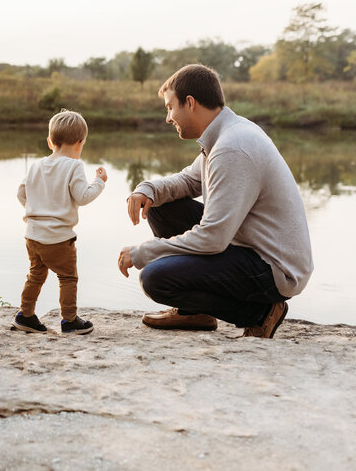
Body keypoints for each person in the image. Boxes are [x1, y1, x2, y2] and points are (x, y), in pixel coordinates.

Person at [117, 64, 313, 338]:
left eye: (169, 107)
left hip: (273, 267)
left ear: (190, 103)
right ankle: (194, 312)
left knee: (155, 278)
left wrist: (144, 252)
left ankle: (260, 314)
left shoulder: (233, 147)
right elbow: (188, 182)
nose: (167, 118)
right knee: (160, 206)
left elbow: (212, 239)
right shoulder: (224, 135)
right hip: (246, 247)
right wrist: (147, 189)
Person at [13, 110, 107, 335]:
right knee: (67, 278)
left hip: (32, 234)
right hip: (58, 238)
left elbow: (21, 193)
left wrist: (38, 209)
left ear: (49, 142)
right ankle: (70, 320)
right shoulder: (74, 166)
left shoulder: (36, 165)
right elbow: (83, 197)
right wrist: (99, 182)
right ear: (79, 144)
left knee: (35, 274)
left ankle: (25, 316)